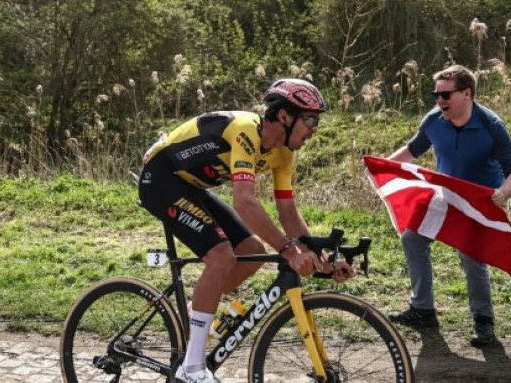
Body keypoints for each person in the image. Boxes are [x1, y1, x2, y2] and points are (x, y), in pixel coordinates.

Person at [138, 78, 354, 383]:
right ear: (284, 116)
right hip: (160, 179)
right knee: (222, 257)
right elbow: (244, 202)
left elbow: (288, 212)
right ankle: (192, 368)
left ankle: (196, 312)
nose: (315, 128)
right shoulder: (246, 132)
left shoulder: (284, 153)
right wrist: (288, 250)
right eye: (310, 119)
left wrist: (320, 259)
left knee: (251, 252)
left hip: (192, 186)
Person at [386, 64, 511, 346]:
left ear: (466, 94)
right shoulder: (434, 120)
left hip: (479, 201)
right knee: (412, 238)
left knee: (471, 255)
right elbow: (412, 151)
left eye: (445, 95)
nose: (439, 101)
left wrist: (501, 193)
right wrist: (381, 166)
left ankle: (483, 320)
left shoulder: (491, 126)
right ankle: (423, 309)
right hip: (445, 195)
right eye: (436, 95)